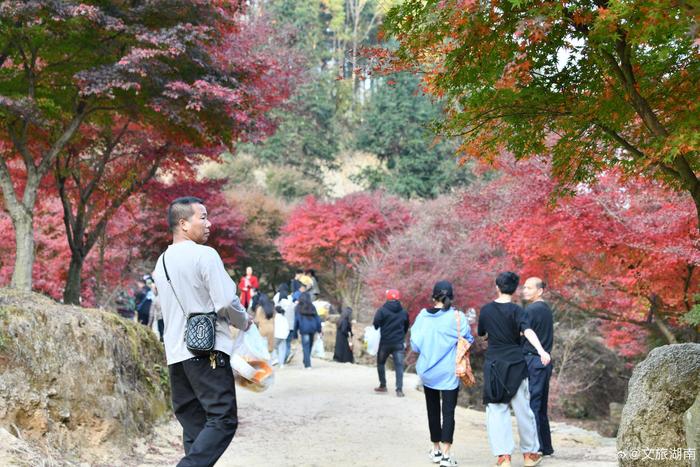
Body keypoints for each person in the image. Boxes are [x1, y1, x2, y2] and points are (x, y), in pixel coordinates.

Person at [151, 196, 250, 467]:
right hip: (207, 351)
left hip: (176, 354)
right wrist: (244, 321)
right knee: (222, 419)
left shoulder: (161, 263)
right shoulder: (205, 255)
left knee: (195, 427)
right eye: (203, 217)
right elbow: (225, 302)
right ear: (183, 223)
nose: (210, 223)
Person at [477, 272, 551, 467]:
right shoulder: (519, 311)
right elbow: (528, 331)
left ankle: (503, 457)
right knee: (523, 410)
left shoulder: (486, 311)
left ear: (497, 287)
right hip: (517, 364)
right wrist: (541, 350)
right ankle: (529, 454)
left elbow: (483, 333)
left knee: (497, 409)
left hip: (494, 365)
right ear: (515, 288)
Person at [411, 281, 474, 467]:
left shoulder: (423, 316)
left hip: (428, 371)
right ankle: (446, 455)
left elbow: (415, 345)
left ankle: (436, 449)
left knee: (432, 410)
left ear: (433, 297)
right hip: (448, 373)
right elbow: (468, 339)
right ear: (451, 297)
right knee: (448, 412)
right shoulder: (458, 317)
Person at [522, 277, 554, 457]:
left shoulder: (530, 310)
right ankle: (546, 446)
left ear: (539, 291)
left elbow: (524, 332)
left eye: (528, 288)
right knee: (540, 406)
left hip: (534, 360)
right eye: (524, 287)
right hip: (544, 362)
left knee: (532, 404)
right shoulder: (546, 309)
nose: (525, 290)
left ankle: (536, 447)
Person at [373, 289, 409, 397]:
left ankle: (383, 385)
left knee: (380, 363)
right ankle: (399, 390)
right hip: (398, 343)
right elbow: (406, 326)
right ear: (398, 298)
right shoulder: (403, 312)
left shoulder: (382, 310)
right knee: (399, 366)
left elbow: (375, 324)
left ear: (387, 298)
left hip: (385, 342)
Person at [293, 292, 321, 369]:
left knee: (306, 346)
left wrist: (295, 332)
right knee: (310, 345)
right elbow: (317, 318)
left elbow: (296, 320)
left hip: (304, 328)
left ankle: (307, 363)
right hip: (313, 328)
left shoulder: (298, 307)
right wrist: (319, 329)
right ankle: (306, 360)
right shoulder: (312, 306)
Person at [274, 283, 296, 364]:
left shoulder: (276, 299)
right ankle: (286, 356)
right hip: (290, 325)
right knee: (287, 343)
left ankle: (281, 359)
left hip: (280, 326)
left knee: (279, 344)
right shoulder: (290, 301)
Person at [251, 288, 275, 352]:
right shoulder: (272, 308)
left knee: (262, 348)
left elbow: (256, 320)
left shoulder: (260, 309)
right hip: (271, 329)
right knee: (270, 348)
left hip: (263, 329)